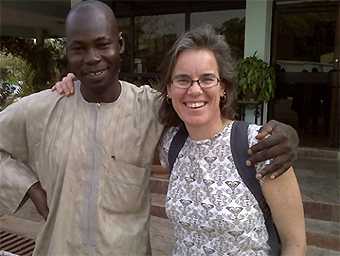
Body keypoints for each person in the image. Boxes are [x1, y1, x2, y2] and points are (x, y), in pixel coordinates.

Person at [0, 1, 298, 255]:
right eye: (79, 48)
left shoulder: (150, 108)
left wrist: (289, 134)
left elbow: (203, 109)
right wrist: (31, 188)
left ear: (120, 44)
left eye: (102, 44)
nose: (92, 58)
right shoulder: (42, 108)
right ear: (67, 52)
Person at [157, 25, 305, 255]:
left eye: (207, 79)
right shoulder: (171, 144)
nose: (194, 90)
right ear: (168, 90)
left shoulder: (262, 145)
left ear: (223, 87)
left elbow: (294, 243)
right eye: (183, 80)